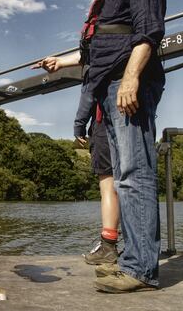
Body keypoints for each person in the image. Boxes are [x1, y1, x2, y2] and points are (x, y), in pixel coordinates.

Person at [37, 0, 166, 292]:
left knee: (135, 173)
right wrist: (59, 63)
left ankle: (140, 269)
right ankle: (131, 260)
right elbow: (99, 48)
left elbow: (148, 32)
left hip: (126, 83)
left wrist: (130, 80)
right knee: (124, 175)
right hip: (108, 85)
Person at [32, 61, 120, 265]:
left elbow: (90, 93)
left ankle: (108, 246)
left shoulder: (101, 55)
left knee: (108, 186)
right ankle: (136, 245)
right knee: (130, 185)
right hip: (134, 119)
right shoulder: (133, 51)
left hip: (104, 123)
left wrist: (79, 126)